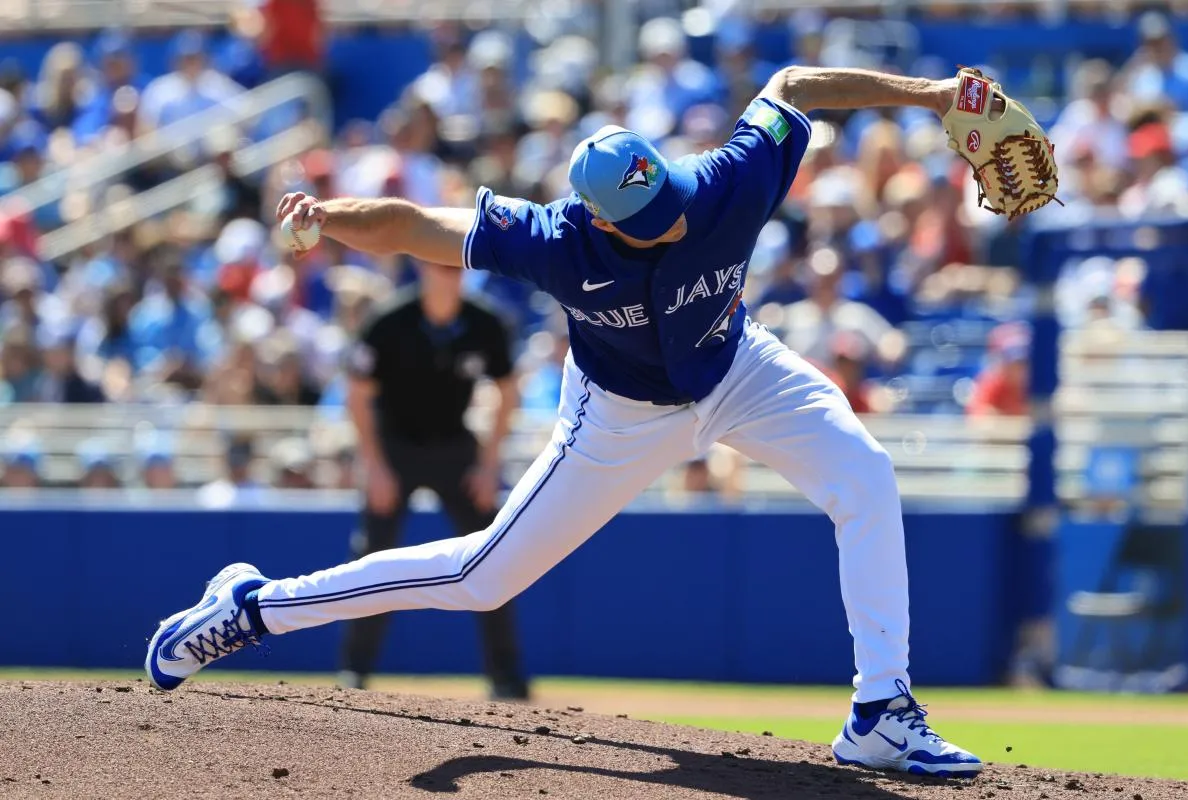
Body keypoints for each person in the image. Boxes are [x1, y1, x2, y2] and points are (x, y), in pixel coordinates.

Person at [146, 63, 983, 777]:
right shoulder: (555, 240)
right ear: (600, 219)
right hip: (619, 413)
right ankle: (256, 607)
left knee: (864, 474)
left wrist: (935, 93)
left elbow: (797, 83)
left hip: (738, 366)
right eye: (648, 225)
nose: (674, 224)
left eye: (667, 204)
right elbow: (415, 227)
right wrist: (329, 217)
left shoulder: (725, 179)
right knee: (480, 579)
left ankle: (881, 711)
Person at [337, 260, 527, 699]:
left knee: (494, 557)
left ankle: (507, 678)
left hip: (455, 447)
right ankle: (354, 672)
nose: (449, 274)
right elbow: (358, 395)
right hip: (395, 448)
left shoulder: (484, 322)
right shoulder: (389, 320)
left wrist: (488, 463)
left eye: (455, 266)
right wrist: (375, 466)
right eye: (440, 265)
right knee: (371, 559)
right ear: (423, 268)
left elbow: (508, 390)